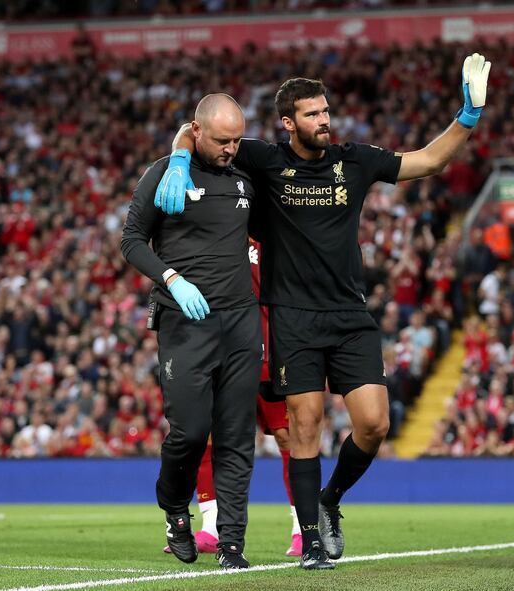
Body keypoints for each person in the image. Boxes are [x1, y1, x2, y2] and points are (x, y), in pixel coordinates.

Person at [153, 53, 491, 569]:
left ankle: (330, 499)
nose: (324, 120)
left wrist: (466, 118)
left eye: (326, 110)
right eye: (312, 114)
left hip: (349, 315)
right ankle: (311, 543)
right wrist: (179, 157)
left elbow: (428, 161)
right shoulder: (263, 160)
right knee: (303, 427)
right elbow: (198, 131)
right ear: (288, 122)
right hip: (290, 316)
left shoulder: (354, 160)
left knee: (374, 424)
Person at [120, 93, 261, 570]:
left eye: (237, 139)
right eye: (222, 140)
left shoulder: (245, 174)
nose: (231, 149)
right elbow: (131, 240)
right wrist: (172, 279)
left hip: (241, 320)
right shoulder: (166, 173)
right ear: (196, 132)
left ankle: (232, 543)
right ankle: (176, 511)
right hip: (186, 321)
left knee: (238, 435)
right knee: (190, 431)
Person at [163, 238, 302, 558]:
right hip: (219, 349)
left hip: (269, 347)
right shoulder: (214, 230)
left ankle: (302, 527)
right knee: (205, 435)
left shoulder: (272, 233)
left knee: (287, 436)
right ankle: (210, 528)